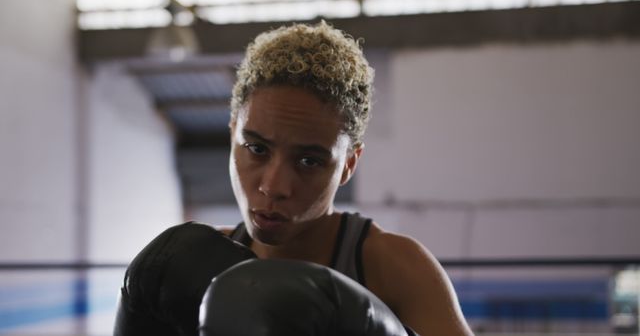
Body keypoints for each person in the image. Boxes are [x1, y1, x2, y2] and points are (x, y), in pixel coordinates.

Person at [115, 21, 473, 336]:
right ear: (232, 136)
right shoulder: (195, 271)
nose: (273, 186)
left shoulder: (395, 267)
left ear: (349, 164)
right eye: (256, 149)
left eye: (308, 160)